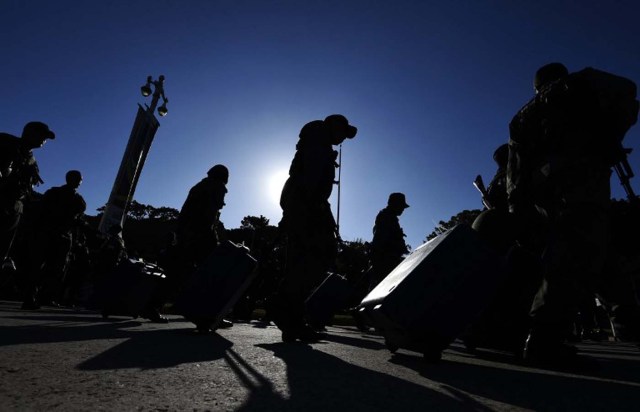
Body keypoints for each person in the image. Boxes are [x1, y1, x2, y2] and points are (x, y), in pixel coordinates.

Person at [507, 62, 639, 364]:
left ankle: (621, 323)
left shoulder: (523, 117)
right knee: (573, 259)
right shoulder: (581, 85)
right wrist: (609, 135)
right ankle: (544, 340)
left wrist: (522, 212)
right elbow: (628, 91)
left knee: (588, 255)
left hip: (550, 199)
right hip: (583, 188)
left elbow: (516, 176)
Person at [270, 114, 357, 342]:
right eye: (343, 132)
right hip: (306, 210)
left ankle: (291, 319)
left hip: (306, 208)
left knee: (304, 263)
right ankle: (287, 314)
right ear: (333, 127)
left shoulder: (317, 144)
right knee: (310, 261)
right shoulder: (318, 146)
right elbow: (308, 183)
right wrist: (310, 211)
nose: (343, 139)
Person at [175, 164, 232, 329]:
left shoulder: (199, 186)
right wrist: (215, 238)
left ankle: (155, 305)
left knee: (183, 272)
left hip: (188, 234)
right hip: (200, 234)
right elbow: (208, 215)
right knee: (212, 273)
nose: (223, 203)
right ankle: (207, 314)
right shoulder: (216, 186)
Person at [22, 170, 86, 309]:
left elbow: (76, 221)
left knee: (52, 268)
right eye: (78, 179)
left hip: (57, 236)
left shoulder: (71, 198)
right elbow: (41, 212)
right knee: (45, 267)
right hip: (53, 235)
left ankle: (42, 297)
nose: (79, 182)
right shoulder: (65, 196)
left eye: (79, 179)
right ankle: (34, 297)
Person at [0, 122, 54, 271]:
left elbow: (26, 188)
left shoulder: (32, 160)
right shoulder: (5, 142)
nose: (44, 140)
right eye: (42, 135)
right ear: (30, 133)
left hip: (13, 208)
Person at [368, 193, 410, 289]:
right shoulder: (386, 217)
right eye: (401, 206)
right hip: (384, 262)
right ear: (394, 204)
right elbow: (383, 241)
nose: (403, 209)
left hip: (384, 260)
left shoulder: (389, 217)